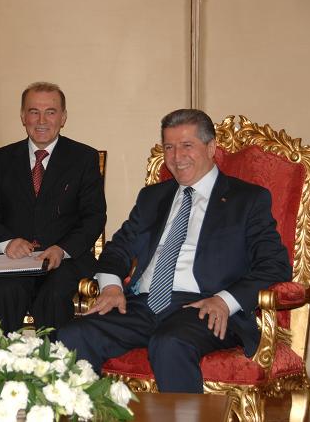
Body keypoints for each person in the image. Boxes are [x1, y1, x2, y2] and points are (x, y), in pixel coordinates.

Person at [58, 109, 291, 393]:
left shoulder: (247, 200)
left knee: (170, 343)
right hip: (142, 305)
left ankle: (183, 414)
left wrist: (224, 301)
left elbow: (274, 264)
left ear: (211, 148)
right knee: (73, 335)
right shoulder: (152, 197)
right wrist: (111, 287)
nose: (177, 156)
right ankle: (90, 411)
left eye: (187, 145)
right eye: (169, 147)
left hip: (204, 307)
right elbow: (118, 249)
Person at [0, 82, 106, 334]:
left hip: (65, 263)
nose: (42, 120)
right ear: (23, 117)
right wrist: (7, 242)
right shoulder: (0, 160)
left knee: (55, 294)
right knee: (5, 291)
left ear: (63, 117)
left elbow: (94, 217)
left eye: (50, 112)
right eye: (34, 112)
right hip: (12, 263)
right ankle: (3, 358)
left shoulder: (83, 158)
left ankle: (55, 360)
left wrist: (62, 249)